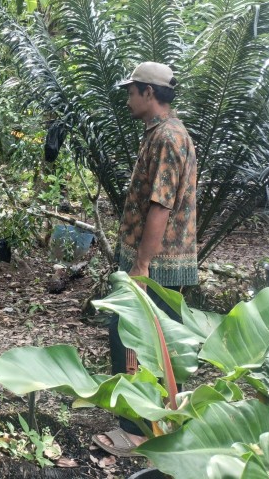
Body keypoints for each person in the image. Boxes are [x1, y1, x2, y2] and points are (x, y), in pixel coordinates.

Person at [92, 62, 198, 457]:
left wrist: (141, 267)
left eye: (131, 90)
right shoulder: (161, 134)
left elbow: (160, 207)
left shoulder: (168, 138)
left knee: (136, 341)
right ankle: (159, 424)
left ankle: (139, 432)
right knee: (156, 344)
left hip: (157, 265)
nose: (128, 97)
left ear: (149, 92)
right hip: (158, 262)